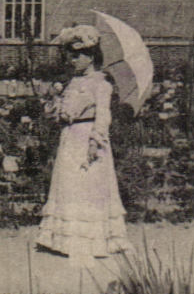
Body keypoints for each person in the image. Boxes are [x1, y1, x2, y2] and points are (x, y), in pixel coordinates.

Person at [36, 25, 131, 259]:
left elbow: (104, 116)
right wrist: (52, 99)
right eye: (70, 55)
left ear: (91, 56)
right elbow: (58, 116)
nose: (72, 60)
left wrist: (95, 142)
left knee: (88, 186)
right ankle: (65, 239)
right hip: (69, 138)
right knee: (69, 185)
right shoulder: (71, 82)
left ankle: (92, 240)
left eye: (78, 55)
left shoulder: (101, 83)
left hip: (87, 138)